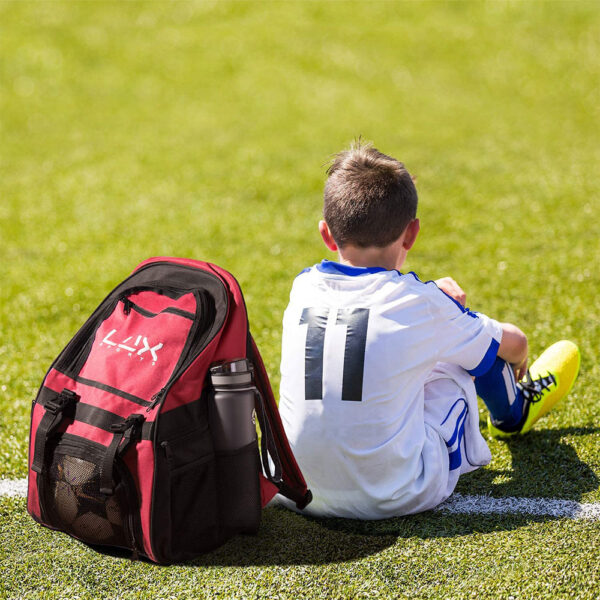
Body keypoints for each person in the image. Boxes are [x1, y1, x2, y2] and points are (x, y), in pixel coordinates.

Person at [277, 141, 580, 519]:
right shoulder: (420, 302)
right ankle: (514, 413)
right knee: (458, 358)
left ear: (326, 234)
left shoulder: (302, 286)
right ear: (412, 233)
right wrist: (454, 312)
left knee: (415, 357)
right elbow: (514, 344)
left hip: (294, 489)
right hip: (393, 496)